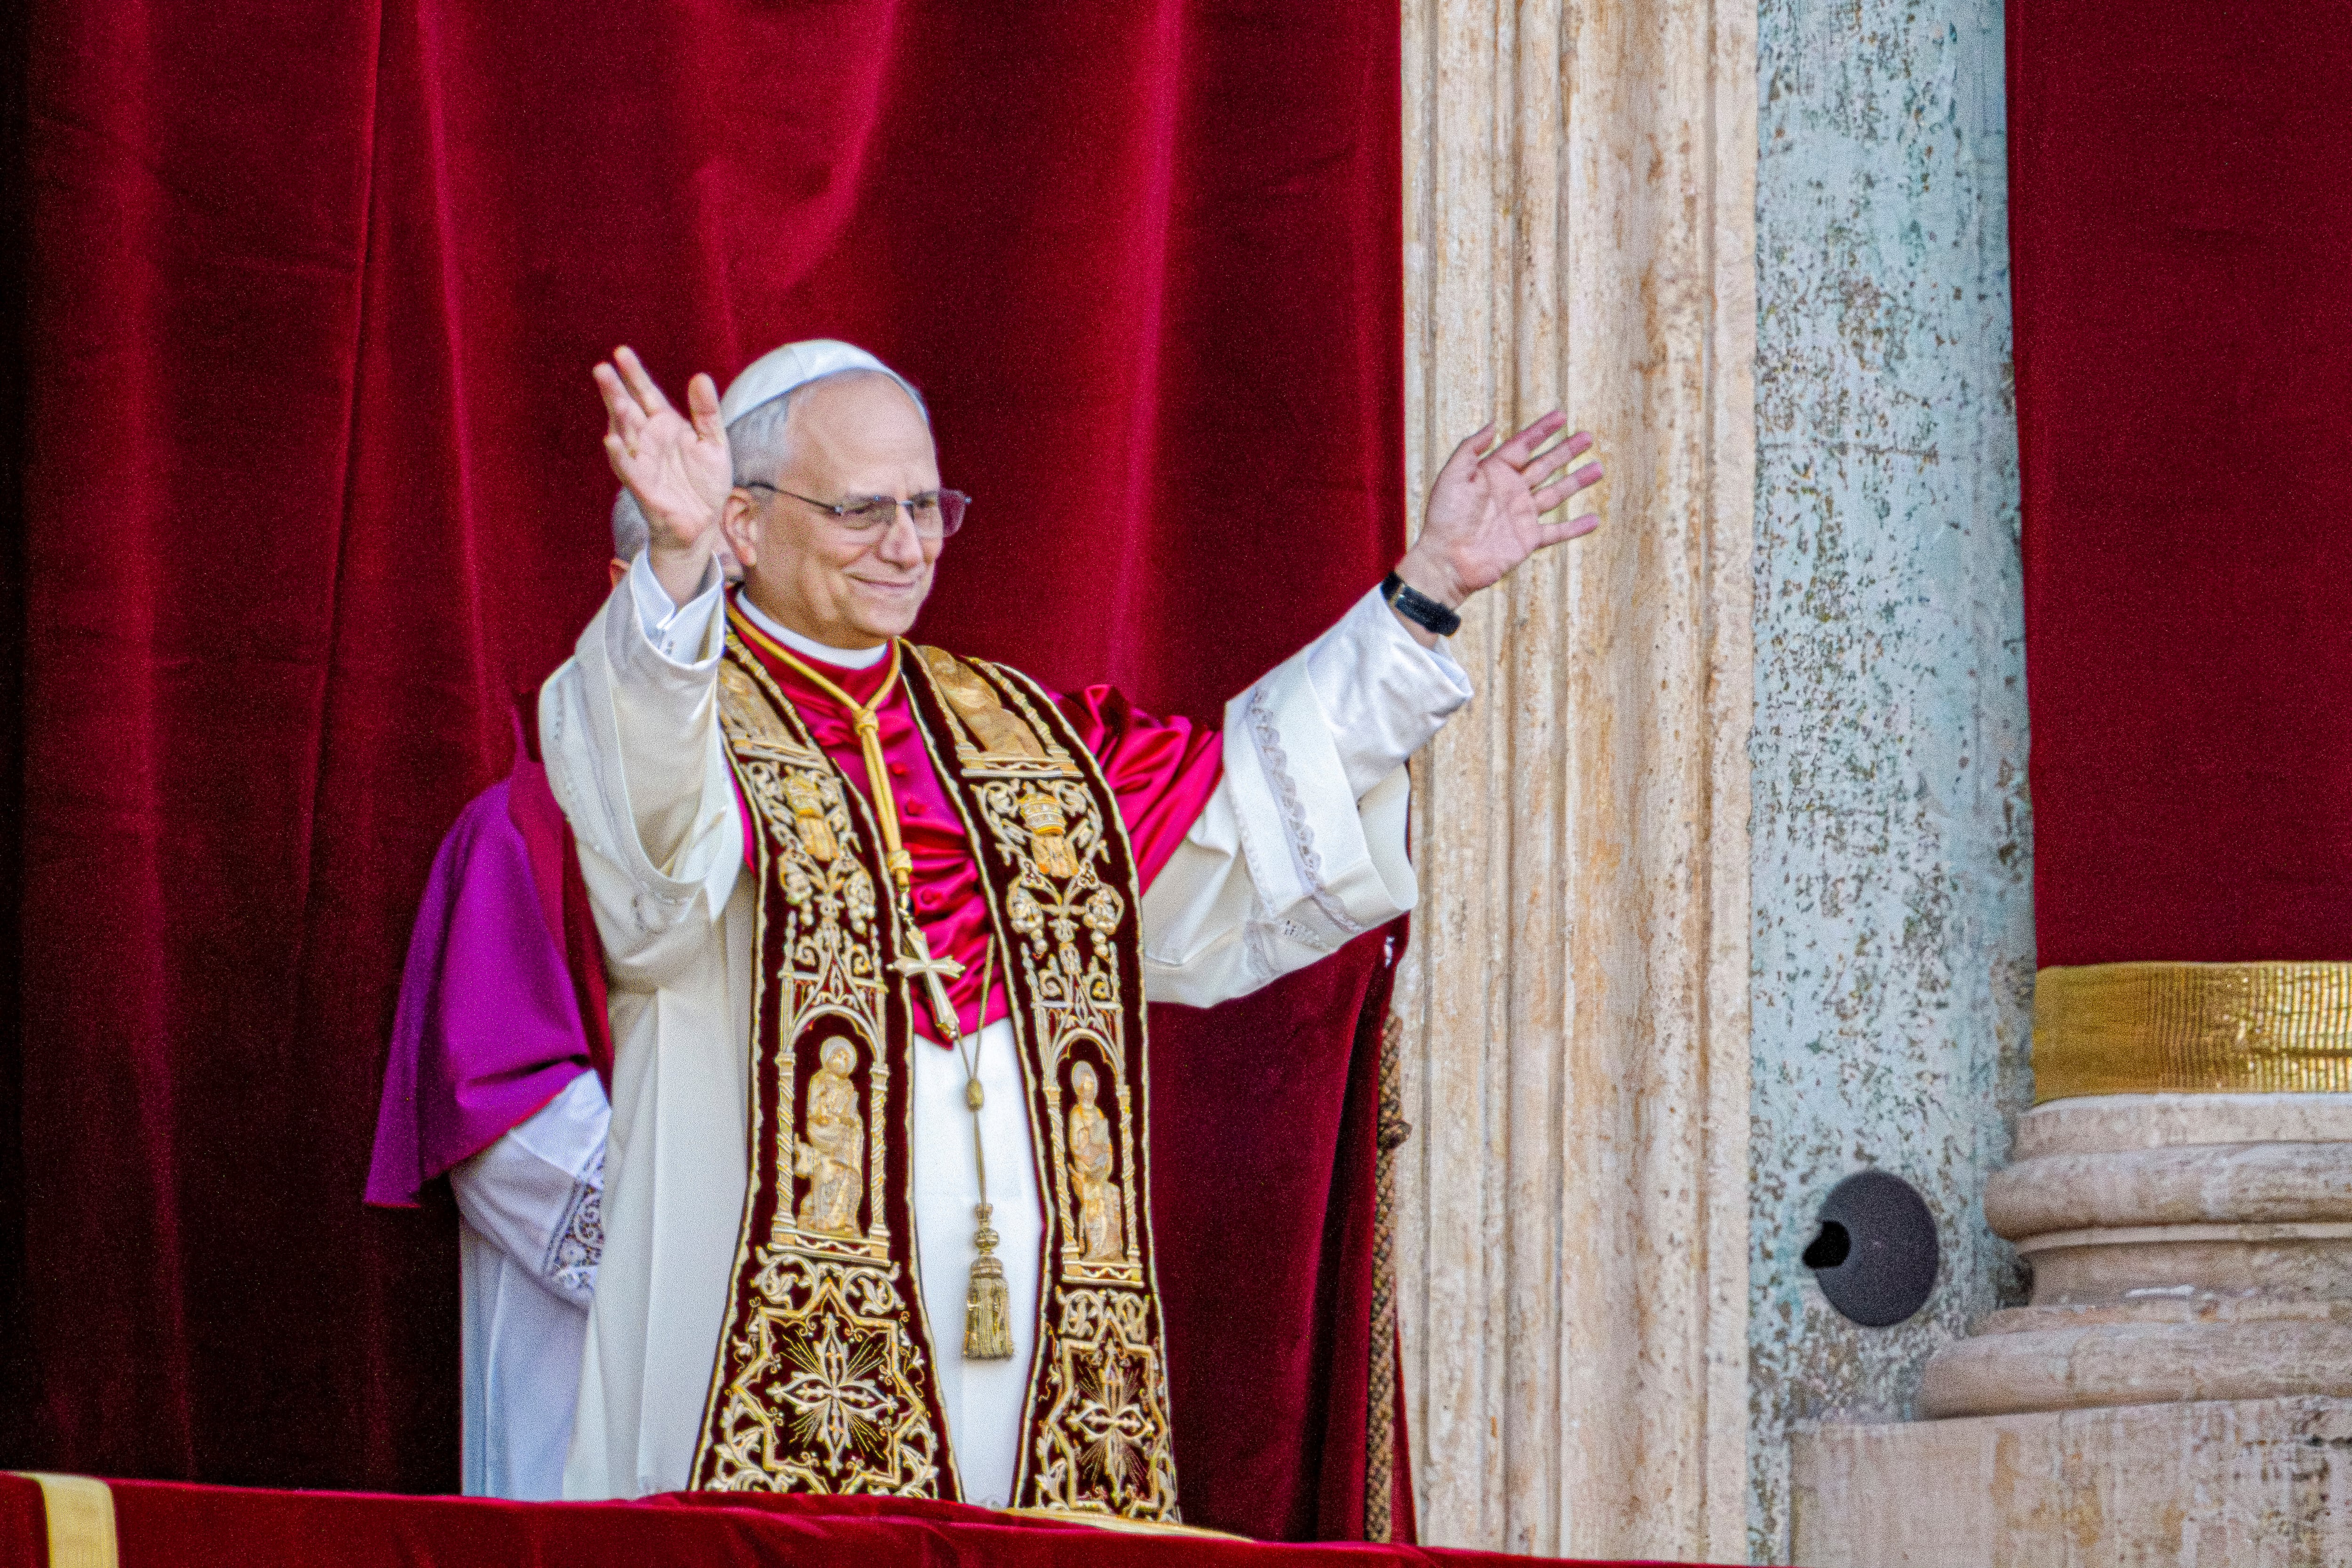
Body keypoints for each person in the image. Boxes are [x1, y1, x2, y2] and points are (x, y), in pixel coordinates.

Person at [542, 338, 1602, 1514]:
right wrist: (677, 576)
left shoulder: (1023, 739)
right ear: (743, 522)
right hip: (754, 1362)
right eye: (861, 510)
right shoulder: (684, 711)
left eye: (926, 505)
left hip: (1029, 1372)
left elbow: (1244, 811)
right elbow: (646, 834)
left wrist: (1424, 593)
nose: (906, 545)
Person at [363, 505, 668, 1498]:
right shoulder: (526, 830)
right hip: (590, 1358)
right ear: (630, 590)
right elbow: (505, 1116)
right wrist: (714, 1247)